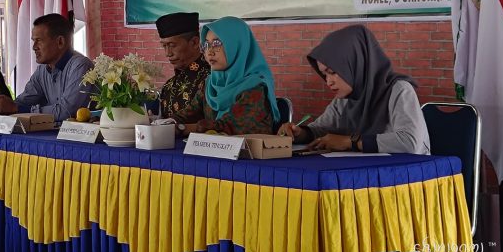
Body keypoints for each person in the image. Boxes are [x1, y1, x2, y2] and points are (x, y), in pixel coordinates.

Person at [278, 25, 430, 154]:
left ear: (356, 63)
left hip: (408, 176)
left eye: (333, 72)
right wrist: (300, 133)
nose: (328, 81)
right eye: (324, 75)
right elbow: (323, 129)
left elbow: (410, 142)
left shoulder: (399, 90)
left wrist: (350, 142)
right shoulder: (346, 98)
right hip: (366, 174)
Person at [171, 16, 279, 135]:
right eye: (206, 44)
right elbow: (188, 114)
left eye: (216, 43)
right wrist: (167, 122)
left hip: (248, 147)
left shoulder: (256, 87)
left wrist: (182, 128)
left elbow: (227, 126)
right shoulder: (210, 84)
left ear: (237, 45)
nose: (210, 52)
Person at [0, 13, 93, 121]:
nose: (34, 47)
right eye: (33, 41)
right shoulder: (42, 70)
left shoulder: (81, 66)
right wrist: (0, 105)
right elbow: (24, 102)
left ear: (60, 42)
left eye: (39, 40)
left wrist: (16, 108)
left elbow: (66, 112)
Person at [156, 12, 210, 117]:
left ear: (194, 42)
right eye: (164, 46)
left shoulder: (211, 81)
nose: (168, 53)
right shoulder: (168, 86)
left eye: (172, 45)